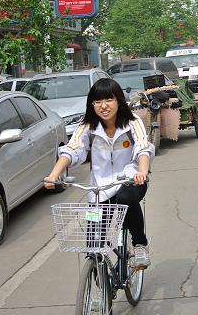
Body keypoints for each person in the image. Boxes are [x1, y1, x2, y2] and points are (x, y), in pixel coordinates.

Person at [44, 78, 155, 268]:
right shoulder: (87, 126)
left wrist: (141, 172)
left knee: (126, 198)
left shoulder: (132, 122)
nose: (104, 106)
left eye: (109, 100)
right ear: (92, 104)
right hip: (99, 189)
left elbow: (143, 148)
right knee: (93, 244)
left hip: (130, 180)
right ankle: (97, 273)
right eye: (97, 101)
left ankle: (139, 244)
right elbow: (73, 149)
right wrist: (54, 175)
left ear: (119, 100)